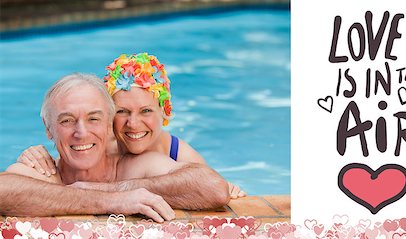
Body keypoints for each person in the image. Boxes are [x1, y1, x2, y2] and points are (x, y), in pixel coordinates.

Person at [1, 73, 230, 221]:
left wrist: (110, 189)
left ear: (110, 126)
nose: (81, 133)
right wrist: (114, 201)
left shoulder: (136, 166)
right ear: (48, 129)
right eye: (67, 120)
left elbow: (214, 188)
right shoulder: (43, 171)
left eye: (94, 119)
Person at [19, 53, 246, 198]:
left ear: (165, 112)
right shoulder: (97, 140)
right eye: (122, 112)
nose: (133, 124)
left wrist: (228, 188)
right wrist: (35, 153)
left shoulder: (179, 152)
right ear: (108, 118)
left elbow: (209, 187)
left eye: (146, 111)